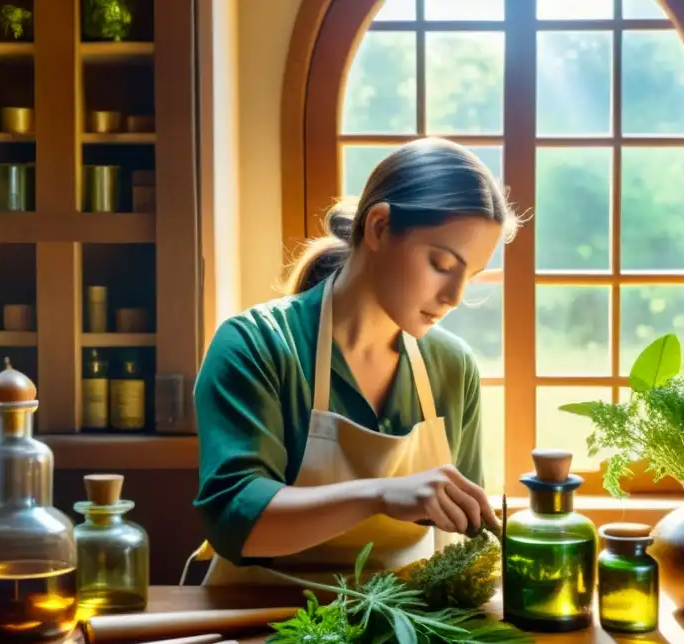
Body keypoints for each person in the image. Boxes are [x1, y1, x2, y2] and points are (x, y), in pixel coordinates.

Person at [187, 137, 519, 586]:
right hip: (257, 631)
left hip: (401, 630)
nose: (455, 297)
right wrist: (381, 494)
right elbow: (235, 519)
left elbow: (465, 536)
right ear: (379, 227)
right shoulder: (256, 346)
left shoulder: (451, 367)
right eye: (442, 263)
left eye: (471, 276)